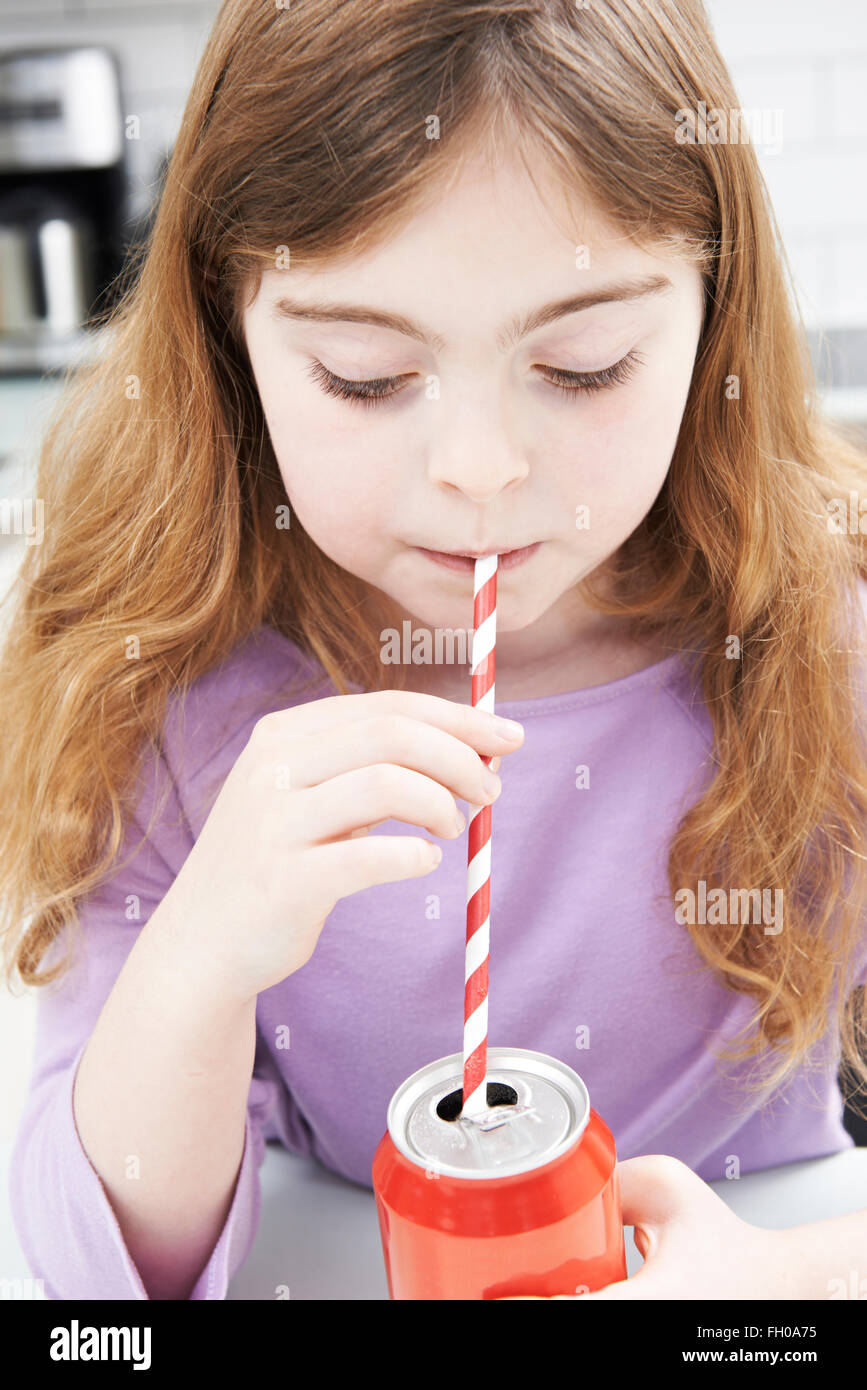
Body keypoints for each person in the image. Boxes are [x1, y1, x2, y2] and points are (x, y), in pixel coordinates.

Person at [2, 0, 867, 1301]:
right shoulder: (163, 682)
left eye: (584, 365)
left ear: (713, 310)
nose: (479, 471)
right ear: (229, 338)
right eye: (362, 374)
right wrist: (200, 954)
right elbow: (98, 1287)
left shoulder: (830, 637)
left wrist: (786, 1285)